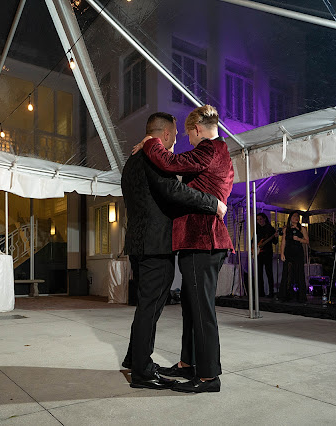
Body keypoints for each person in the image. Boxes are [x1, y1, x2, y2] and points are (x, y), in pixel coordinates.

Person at [121, 112, 227, 390]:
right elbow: (173, 191)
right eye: (177, 135)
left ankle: (137, 360)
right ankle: (142, 371)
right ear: (165, 135)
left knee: (147, 306)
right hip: (156, 245)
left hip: (138, 242)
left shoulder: (131, 161)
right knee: (150, 308)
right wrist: (213, 203)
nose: (180, 140)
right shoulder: (151, 156)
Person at [278, 211, 309, 302]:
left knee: (299, 273)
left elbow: (307, 241)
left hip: (298, 252)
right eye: (294, 216)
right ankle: (285, 294)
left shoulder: (302, 228)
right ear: (290, 217)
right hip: (288, 252)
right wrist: (282, 253)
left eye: (298, 216)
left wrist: (299, 239)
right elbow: (283, 241)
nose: (296, 218)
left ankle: (301, 296)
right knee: (287, 273)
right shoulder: (286, 229)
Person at [255, 213, 278, 298]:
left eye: (260, 219)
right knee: (259, 273)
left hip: (268, 253)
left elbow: (275, 242)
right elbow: (253, 239)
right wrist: (253, 247)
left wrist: (275, 237)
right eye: (258, 220)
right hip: (259, 253)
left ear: (264, 219)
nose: (259, 221)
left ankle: (271, 292)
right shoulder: (257, 228)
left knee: (269, 273)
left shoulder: (270, 229)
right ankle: (260, 293)